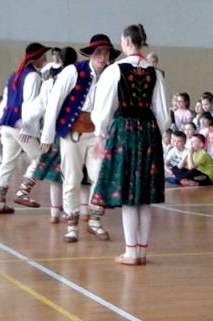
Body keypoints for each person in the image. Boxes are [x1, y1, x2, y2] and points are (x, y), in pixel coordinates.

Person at [91, 24, 169, 265]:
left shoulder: (114, 70)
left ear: (125, 42)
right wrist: (156, 134)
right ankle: (141, 251)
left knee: (128, 193)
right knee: (143, 195)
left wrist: (100, 134)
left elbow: (103, 109)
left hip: (124, 131)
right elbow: (163, 114)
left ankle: (131, 252)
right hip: (149, 132)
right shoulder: (155, 73)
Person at [41, 34, 120, 243]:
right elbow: (55, 102)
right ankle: (72, 225)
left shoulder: (111, 76)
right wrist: (47, 135)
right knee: (71, 179)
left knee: (99, 176)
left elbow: (113, 107)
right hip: (72, 133)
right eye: (99, 53)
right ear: (90, 54)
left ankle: (95, 220)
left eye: (106, 53)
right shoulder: (73, 71)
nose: (103, 57)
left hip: (97, 135)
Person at [0, 42, 49, 213]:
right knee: (41, 159)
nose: (45, 60)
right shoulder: (33, 77)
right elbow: (30, 105)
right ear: (36, 58)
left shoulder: (14, 74)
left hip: (7, 124)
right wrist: (27, 128)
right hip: (21, 125)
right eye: (43, 57)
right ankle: (23, 192)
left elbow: (5, 102)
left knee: (7, 162)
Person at [31, 47, 76, 224]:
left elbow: (45, 107)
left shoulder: (49, 82)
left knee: (55, 176)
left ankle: (54, 213)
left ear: (60, 60)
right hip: (72, 131)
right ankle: (75, 211)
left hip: (55, 130)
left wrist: (43, 134)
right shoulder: (79, 79)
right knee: (71, 175)